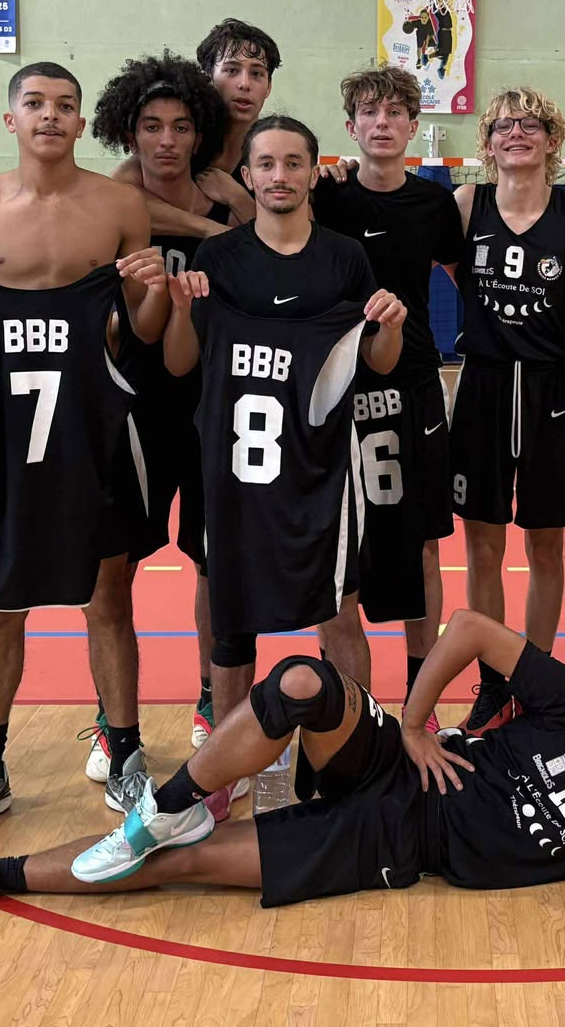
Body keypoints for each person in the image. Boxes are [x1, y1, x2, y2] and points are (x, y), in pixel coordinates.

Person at [0, 608, 565, 913]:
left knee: (186, 869)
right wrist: (418, 724)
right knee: (304, 681)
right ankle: (168, 801)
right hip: (401, 764)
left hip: (395, 843)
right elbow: (471, 627)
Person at [0, 62, 169, 842]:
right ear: (10, 118)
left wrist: (152, 288)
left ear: (82, 124)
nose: (51, 115)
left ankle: (124, 753)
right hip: (6, 434)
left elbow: (140, 333)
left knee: (108, 600)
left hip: (94, 427)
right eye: (36, 103)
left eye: (66, 105)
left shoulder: (120, 205)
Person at [162, 114, 408, 819]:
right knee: (231, 620)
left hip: (322, 469)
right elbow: (179, 364)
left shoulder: (344, 259)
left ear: (311, 172)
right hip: (232, 471)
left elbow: (375, 362)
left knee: (339, 609)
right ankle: (224, 765)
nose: (279, 176)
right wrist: (178, 309)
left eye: (293, 163)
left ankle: (355, 750)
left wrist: (388, 325)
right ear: (247, 175)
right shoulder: (219, 260)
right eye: (265, 164)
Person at [78, 53, 234, 778]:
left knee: (212, 564)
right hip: (129, 404)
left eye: (180, 126)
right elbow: (135, 211)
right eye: (150, 125)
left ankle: (210, 697)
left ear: (200, 132)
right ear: (128, 131)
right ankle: (114, 723)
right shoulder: (112, 197)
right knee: (112, 571)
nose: (166, 139)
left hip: (213, 404)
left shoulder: (229, 196)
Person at [313, 67, 465, 710]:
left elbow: (468, 280)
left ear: (413, 125)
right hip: (334, 383)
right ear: (351, 127)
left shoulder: (433, 203)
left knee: (423, 541)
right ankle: (349, 708)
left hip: (413, 384)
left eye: (395, 112)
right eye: (370, 113)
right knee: (334, 544)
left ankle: (418, 699)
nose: (383, 122)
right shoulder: (326, 196)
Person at [449, 88, 565, 730]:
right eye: (504, 126)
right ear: (487, 143)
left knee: (545, 544)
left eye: (530, 125)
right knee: (482, 546)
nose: (517, 134)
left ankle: (535, 682)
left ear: (552, 139)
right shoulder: (465, 204)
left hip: (549, 390)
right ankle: (491, 679)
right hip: (482, 385)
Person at [111, 18, 276, 233]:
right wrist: (209, 229)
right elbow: (117, 192)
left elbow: (295, 234)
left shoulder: (273, 148)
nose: (244, 84)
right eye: (231, 70)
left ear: (268, 87)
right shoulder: (182, 135)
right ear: (208, 78)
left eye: (256, 74)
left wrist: (238, 198)